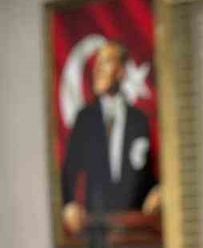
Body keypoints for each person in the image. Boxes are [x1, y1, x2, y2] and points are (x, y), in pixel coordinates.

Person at [60, 40, 160, 236]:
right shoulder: (85, 119)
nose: (97, 69)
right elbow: (69, 171)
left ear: (121, 72)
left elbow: (146, 174)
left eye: (105, 62)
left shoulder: (138, 120)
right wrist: (69, 204)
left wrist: (159, 191)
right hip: (96, 226)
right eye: (97, 63)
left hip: (134, 227)